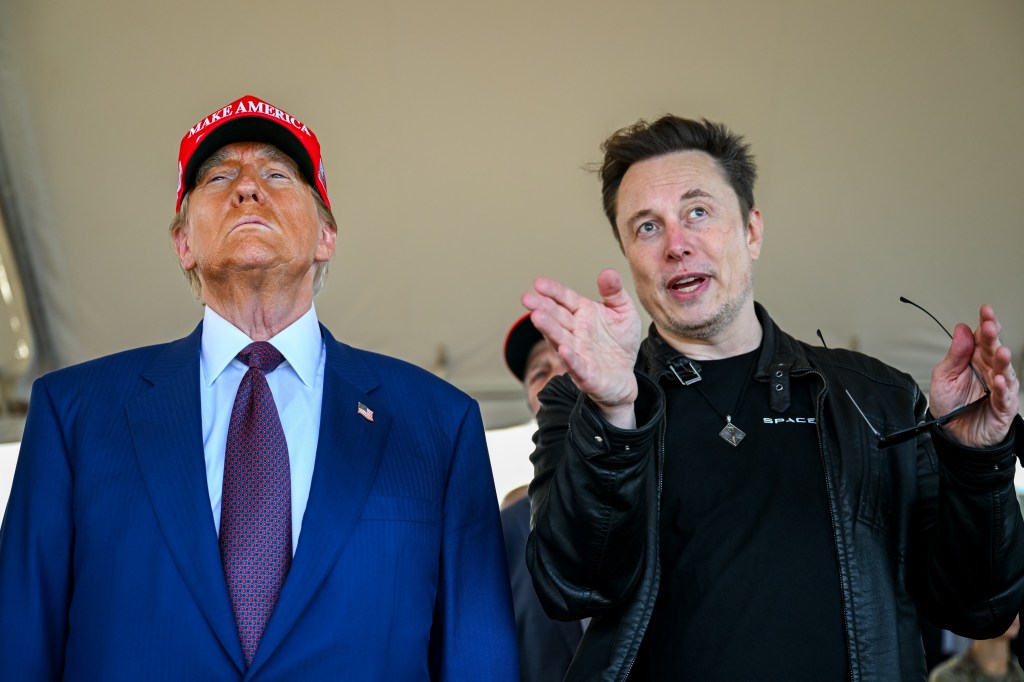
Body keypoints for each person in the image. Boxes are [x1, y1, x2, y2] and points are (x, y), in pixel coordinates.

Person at [0, 95, 518, 681]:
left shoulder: (437, 424)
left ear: (326, 235)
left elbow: (479, 659)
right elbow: (18, 645)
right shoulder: (74, 414)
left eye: (276, 174)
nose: (247, 188)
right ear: (183, 244)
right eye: (219, 176)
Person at [522, 115, 1024, 681]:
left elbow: (979, 607)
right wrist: (615, 414)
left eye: (698, 212)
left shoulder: (877, 397)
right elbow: (572, 588)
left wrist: (977, 460)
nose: (676, 245)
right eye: (646, 227)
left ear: (752, 231)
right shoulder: (583, 405)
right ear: (628, 255)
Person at [500, 313, 584, 682]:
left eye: (572, 361)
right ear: (532, 402)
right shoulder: (504, 529)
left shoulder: (668, 489)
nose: (558, 378)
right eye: (540, 372)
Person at [930, 615, 1024, 682]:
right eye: (1003, 602)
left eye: (1017, 602)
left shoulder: (1021, 674)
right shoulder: (947, 677)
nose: (1014, 613)